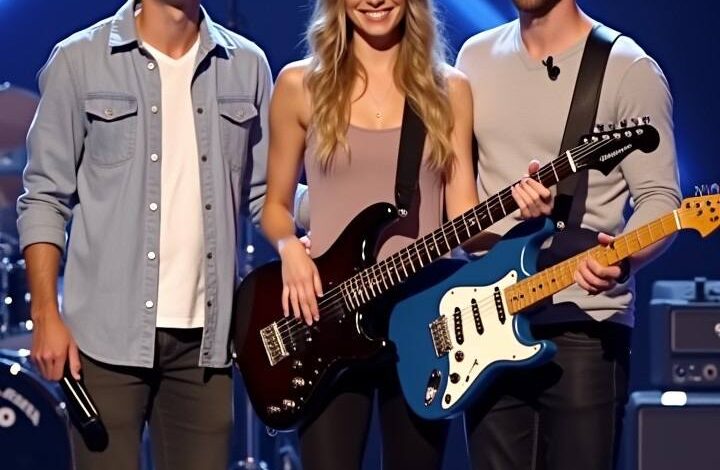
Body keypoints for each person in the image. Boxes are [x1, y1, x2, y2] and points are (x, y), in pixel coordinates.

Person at [260, 0, 551, 468]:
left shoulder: (449, 90)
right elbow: (274, 206)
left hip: (423, 320)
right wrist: (289, 247)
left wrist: (519, 214)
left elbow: (463, 221)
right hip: (330, 318)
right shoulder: (299, 85)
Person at [16, 0, 281, 468]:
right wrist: (44, 314)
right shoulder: (80, 59)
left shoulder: (246, 65)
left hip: (205, 344)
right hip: (104, 338)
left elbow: (264, 193)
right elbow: (43, 197)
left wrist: (334, 206)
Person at [456, 0, 682, 469]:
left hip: (584, 322)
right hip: (488, 324)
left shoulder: (627, 67)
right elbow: (458, 202)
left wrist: (623, 259)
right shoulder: (473, 58)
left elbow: (660, 197)